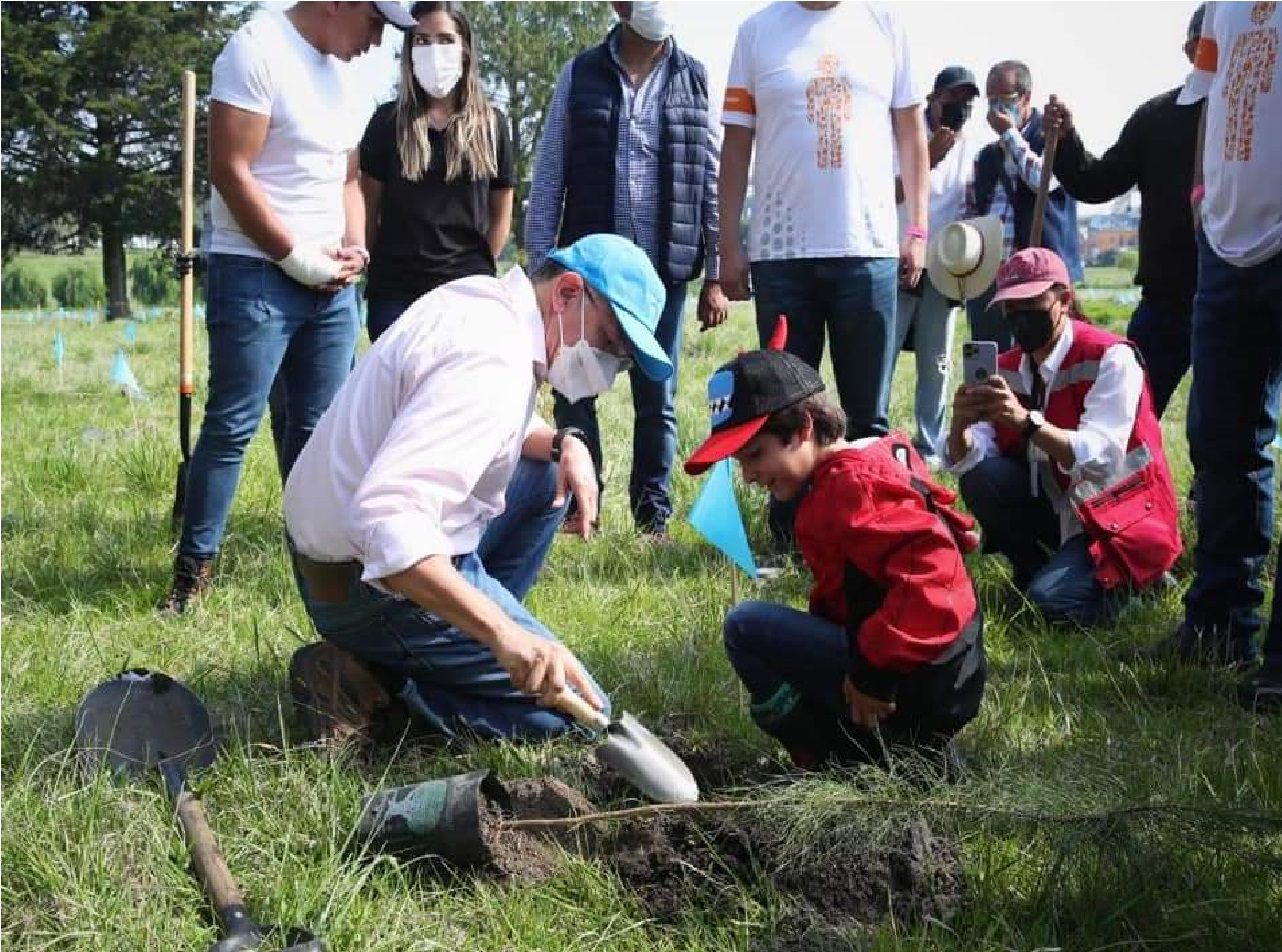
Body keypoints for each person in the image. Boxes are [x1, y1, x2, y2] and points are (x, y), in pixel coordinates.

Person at [283, 234, 671, 743]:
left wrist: (564, 444)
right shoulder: (492, 362)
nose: (609, 368)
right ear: (567, 294)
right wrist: (504, 635)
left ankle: (439, 649)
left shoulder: (488, 308)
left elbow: (489, 422)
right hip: (368, 587)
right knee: (577, 719)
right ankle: (384, 688)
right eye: (610, 343)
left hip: (330, 562)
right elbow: (387, 524)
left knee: (543, 479)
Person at [160, 1, 415, 614]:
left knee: (320, 434)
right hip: (255, 273)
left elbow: (348, 176)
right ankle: (191, 578)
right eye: (377, 26)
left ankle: (323, 581)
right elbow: (230, 169)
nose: (378, 44)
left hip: (332, 286)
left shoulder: (350, 74)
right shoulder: (256, 49)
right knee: (232, 425)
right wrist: (293, 256)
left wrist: (354, 246)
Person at [683, 323, 985, 776]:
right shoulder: (866, 460)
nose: (747, 475)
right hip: (934, 672)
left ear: (803, 427)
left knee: (746, 627)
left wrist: (872, 674)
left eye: (754, 454)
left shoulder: (851, 486)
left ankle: (836, 761)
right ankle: (899, 749)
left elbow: (935, 574)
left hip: (918, 675)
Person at [718, 0, 930, 544]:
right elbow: (736, 145)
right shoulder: (757, 32)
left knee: (868, 416)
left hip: (868, 248)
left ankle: (877, 533)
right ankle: (794, 538)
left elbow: (911, 134)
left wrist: (919, 230)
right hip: (782, 254)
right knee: (784, 411)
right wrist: (729, 245)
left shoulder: (885, 25)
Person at [524, 1, 727, 539]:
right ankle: (578, 508)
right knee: (574, 387)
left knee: (656, 400)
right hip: (594, 271)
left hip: (663, 273)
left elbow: (709, 179)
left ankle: (652, 518)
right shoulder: (581, 72)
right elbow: (549, 172)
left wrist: (718, 272)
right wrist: (538, 262)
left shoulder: (693, 77)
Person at [1134, 1, 1282, 713]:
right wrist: (1203, 194)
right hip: (1226, 245)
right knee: (1221, 440)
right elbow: (1209, 97)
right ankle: (1221, 623)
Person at [946, 248, 1182, 626]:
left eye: (1032, 304)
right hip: (1063, 508)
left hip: (1120, 518)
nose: (1020, 318)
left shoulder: (1110, 357)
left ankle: (1137, 583)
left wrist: (1026, 422)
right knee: (982, 477)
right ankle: (1043, 572)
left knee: (1051, 607)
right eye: (1011, 307)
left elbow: (1101, 458)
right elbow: (967, 459)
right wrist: (959, 425)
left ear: (1064, 300)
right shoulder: (1007, 368)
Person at [1044, 5, 1205, 416]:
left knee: (1226, 433)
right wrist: (1065, 141)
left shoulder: (1263, 121)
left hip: (1239, 298)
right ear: (1189, 50)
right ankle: (1131, 483)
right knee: (1128, 414)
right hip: (1167, 301)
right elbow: (1095, 182)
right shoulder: (1157, 118)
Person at [359, 1, 515, 342]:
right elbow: (367, 209)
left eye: (445, 39)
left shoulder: (492, 125)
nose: (434, 51)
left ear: (465, 50)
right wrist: (367, 267)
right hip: (396, 295)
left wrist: (478, 267)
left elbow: (501, 209)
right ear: (409, 51)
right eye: (422, 40)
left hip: (467, 294)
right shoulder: (386, 123)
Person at [893, 65, 983, 464]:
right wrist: (928, 159)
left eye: (967, 102)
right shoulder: (905, 137)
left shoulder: (973, 148)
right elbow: (887, 193)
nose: (960, 109)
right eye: (952, 100)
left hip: (945, 269)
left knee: (937, 363)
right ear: (933, 99)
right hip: (899, 260)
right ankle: (873, 436)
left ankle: (929, 448)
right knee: (883, 355)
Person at [965, 60, 1083, 351]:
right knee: (990, 355)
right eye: (990, 101)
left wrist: (1010, 135)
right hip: (993, 275)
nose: (996, 109)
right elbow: (974, 209)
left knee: (1040, 353)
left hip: (1039, 275)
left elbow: (1042, 180)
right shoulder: (987, 156)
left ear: (1026, 98)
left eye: (1004, 100)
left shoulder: (1051, 138)